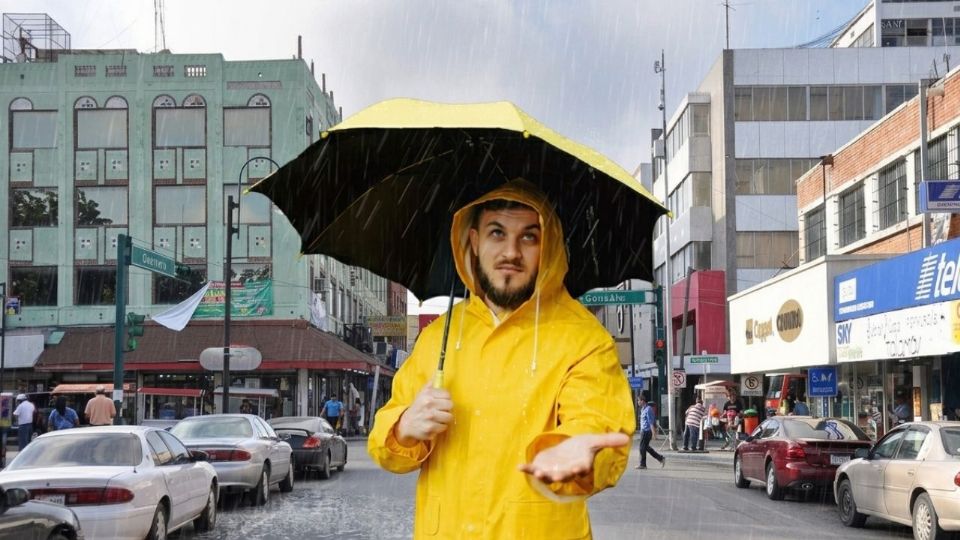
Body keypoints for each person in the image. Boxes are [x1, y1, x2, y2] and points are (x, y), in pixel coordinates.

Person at [367, 181, 634, 538]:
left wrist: (576, 454)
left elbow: (596, 419)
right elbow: (385, 447)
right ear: (474, 241)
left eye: (529, 237)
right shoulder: (438, 337)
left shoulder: (584, 338)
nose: (511, 251)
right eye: (497, 233)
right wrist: (404, 428)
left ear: (547, 246)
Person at [636, 393, 666, 469]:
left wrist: (654, 433)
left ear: (642, 401)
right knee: (646, 447)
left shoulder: (648, 409)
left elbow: (651, 422)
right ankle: (660, 458)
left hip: (647, 431)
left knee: (642, 447)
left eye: (639, 400)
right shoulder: (643, 409)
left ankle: (643, 464)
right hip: (643, 431)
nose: (638, 402)